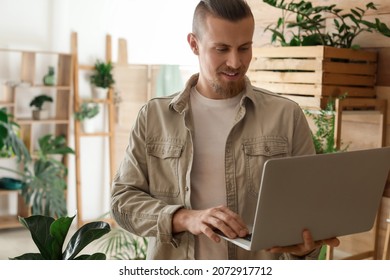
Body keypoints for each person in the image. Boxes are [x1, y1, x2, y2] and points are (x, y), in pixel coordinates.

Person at [111, 0, 339, 260]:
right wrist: (185, 218)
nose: (235, 62)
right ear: (194, 44)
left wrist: (305, 249)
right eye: (221, 49)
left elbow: (306, 208)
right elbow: (122, 202)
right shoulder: (153, 117)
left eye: (244, 48)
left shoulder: (286, 115)